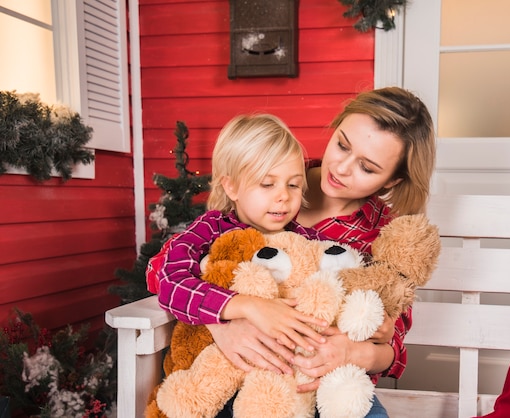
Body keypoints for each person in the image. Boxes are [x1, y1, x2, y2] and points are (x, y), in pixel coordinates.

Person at [208, 86, 437, 418]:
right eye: (342, 144)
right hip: (248, 378)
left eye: (368, 168)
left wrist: (356, 353)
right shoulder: (270, 179)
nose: (342, 168)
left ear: (392, 181)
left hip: (328, 388)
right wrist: (222, 326)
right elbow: (184, 267)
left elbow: (393, 347)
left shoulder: (384, 234)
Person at [152, 113, 331, 354]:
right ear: (231, 186)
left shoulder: (305, 240)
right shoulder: (210, 230)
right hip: (225, 364)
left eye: (293, 184)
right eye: (267, 184)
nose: (284, 196)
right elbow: (170, 283)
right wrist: (248, 306)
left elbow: (348, 271)